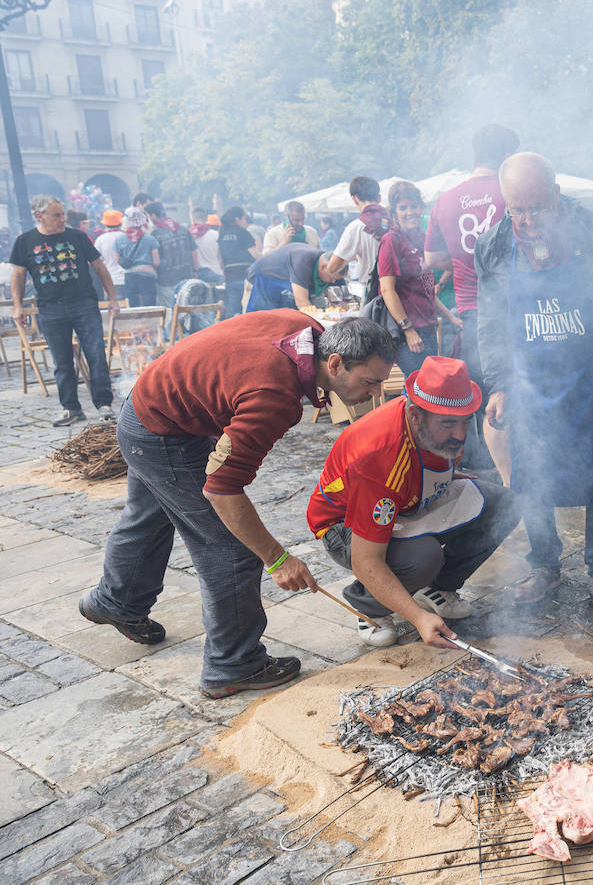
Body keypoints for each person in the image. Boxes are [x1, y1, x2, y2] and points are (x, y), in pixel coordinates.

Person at [80, 314, 396, 698]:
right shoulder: (274, 397)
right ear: (334, 363)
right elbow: (223, 490)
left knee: (151, 515)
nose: (377, 392)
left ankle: (115, 601)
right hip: (160, 427)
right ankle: (232, 664)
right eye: (370, 381)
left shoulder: (309, 332)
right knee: (232, 549)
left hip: (156, 404)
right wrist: (278, 558)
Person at [476, 152, 593, 609]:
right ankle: (544, 566)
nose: (529, 219)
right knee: (532, 475)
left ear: (556, 194)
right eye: (519, 209)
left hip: (591, 375)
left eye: (538, 206)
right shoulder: (494, 245)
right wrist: (497, 384)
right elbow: (491, 321)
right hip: (530, 382)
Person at [308, 356, 521, 645]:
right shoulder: (380, 455)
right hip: (344, 524)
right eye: (448, 425)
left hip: (408, 498)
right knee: (424, 556)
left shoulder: (438, 428)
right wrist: (418, 618)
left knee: (503, 503)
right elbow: (366, 558)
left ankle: (438, 588)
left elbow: (436, 464)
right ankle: (370, 607)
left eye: (465, 422)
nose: (459, 435)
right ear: (416, 416)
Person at [425, 123, 520, 481]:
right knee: (519, 391)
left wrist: (464, 262)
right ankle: (525, 477)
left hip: (470, 313)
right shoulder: (511, 191)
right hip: (513, 311)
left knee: (491, 401)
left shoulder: (446, 199)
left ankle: (506, 478)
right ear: (508, 156)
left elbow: (433, 259)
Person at [9, 195, 120, 426]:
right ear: (40, 216)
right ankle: (71, 408)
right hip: (50, 309)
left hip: (84, 304)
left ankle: (104, 404)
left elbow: (99, 266)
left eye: (62, 214)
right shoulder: (25, 241)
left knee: (96, 354)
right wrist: (18, 306)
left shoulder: (77, 236)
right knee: (62, 361)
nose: (62, 219)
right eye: (56, 215)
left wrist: (113, 298)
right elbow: (18, 276)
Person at [377, 180, 438, 375]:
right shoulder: (391, 241)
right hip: (408, 333)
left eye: (414, 206)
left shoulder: (422, 238)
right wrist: (408, 330)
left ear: (421, 208)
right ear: (394, 213)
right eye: (403, 207)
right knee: (419, 388)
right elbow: (387, 289)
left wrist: (452, 318)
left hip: (428, 328)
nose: (410, 211)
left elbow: (428, 289)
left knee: (429, 388)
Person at [322, 176, 389, 299]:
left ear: (354, 199)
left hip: (375, 293)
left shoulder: (356, 227)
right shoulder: (394, 222)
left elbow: (332, 267)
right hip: (401, 290)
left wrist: (351, 256)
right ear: (379, 197)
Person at [244, 242, 340, 311]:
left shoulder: (335, 266)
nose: (333, 282)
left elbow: (341, 300)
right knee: (253, 323)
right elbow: (302, 302)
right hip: (260, 280)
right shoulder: (303, 261)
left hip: (282, 289)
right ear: (323, 267)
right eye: (331, 278)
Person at [145, 201, 197, 302]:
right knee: (187, 308)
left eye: (148, 216)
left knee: (170, 312)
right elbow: (194, 251)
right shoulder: (183, 229)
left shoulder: (155, 235)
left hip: (166, 281)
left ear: (154, 215)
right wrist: (195, 271)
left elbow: (155, 260)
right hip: (187, 277)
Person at [218, 207, 260, 318]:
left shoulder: (222, 234)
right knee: (249, 312)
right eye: (244, 218)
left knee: (235, 314)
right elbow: (255, 255)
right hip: (245, 277)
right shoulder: (243, 232)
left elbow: (220, 259)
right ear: (238, 219)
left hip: (230, 278)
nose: (245, 221)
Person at [114, 207, 159, 308]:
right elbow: (156, 262)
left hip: (130, 276)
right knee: (150, 308)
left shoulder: (119, 240)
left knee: (133, 308)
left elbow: (117, 259)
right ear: (142, 222)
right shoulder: (150, 239)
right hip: (147, 276)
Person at [93, 208, 125, 302]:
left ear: (105, 224)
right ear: (120, 222)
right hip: (127, 278)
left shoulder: (100, 239)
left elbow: (98, 260)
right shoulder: (126, 237)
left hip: (110, 280)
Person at [190, 209, 223, 285]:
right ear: (206, 219)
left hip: (197, 276)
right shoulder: (216, 235)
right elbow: (221, 256)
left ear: (192, 219)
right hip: (217, 273)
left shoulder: (189, 235)